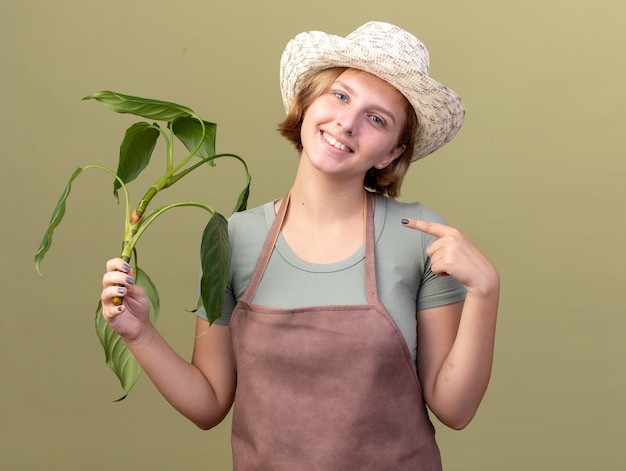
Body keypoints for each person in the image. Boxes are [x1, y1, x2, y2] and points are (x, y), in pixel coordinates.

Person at [100, 21, 499, 470]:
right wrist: (139, 333)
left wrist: (485, 292)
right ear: (307, 102)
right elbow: (209, 403)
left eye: (377, 118)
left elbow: (455, 410)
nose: (347, 123)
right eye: (341, 96)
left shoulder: (419, 234)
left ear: (390, 153)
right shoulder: (233, 238)